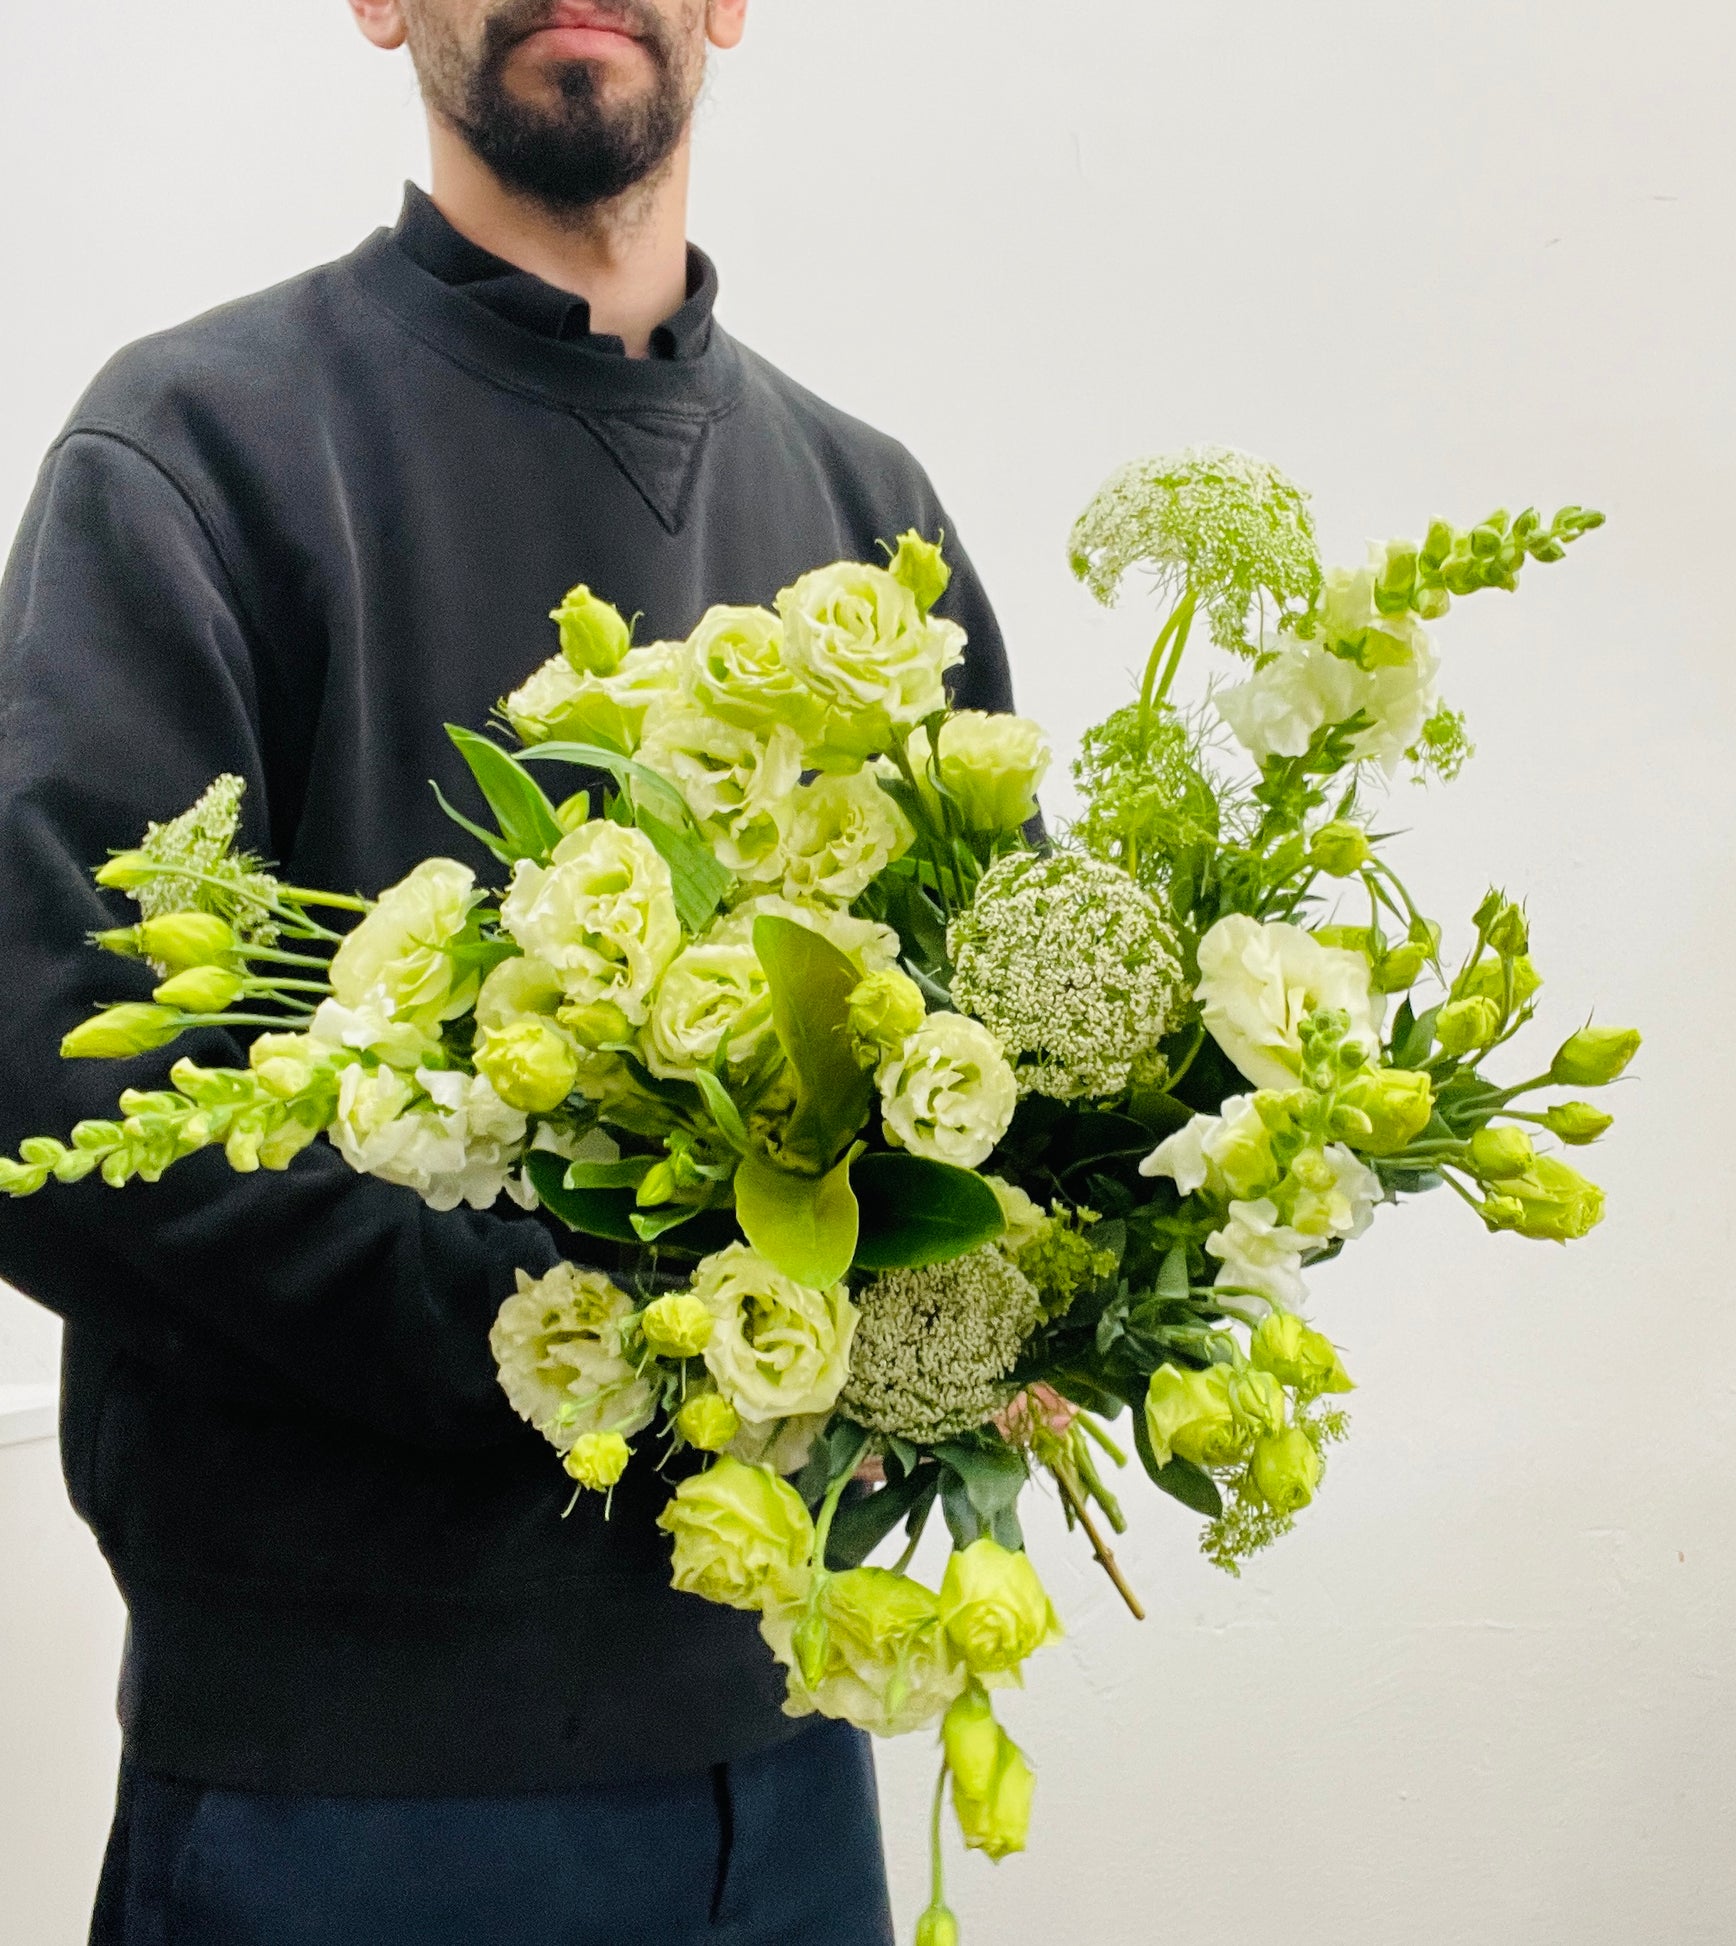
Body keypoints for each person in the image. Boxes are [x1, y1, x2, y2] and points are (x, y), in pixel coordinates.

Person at [0, 4, 1019, 1941]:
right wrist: (593, 1338)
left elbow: (1003, 1068)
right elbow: (47, 1072)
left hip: (786, 1750)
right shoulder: (193, 451)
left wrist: (1018, 1291)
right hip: (348, 1789)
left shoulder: (870, 514)